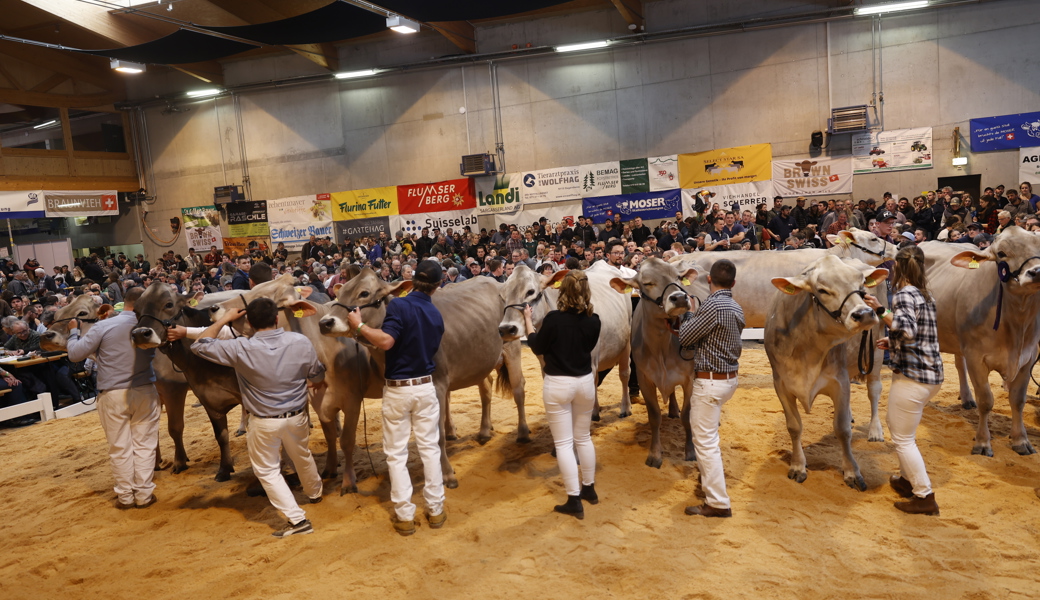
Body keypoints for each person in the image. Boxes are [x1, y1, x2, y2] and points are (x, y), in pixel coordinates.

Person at [191, 298, 326, 538]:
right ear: (276, 318)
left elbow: (199, 345)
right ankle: (315, 493)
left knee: (267, 470)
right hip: (296, 415)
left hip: (264, 420)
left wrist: (224, 319)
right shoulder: (300, 341)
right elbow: (316, 374)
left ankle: (298, 520)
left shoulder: (241, 347)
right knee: (301, 454)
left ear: (250, 323)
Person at [345, 260, 447, 536]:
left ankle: (405, 515)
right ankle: (436, 510)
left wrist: (358, 326)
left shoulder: (399, 305)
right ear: (437, 286)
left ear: (412, 280)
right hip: (426, 386)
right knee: (430, 449)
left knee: (396, 453)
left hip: (399, 388)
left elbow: (387, 342)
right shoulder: (436, 315)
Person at [864, 245, 943, 516]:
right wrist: (892, 340)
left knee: (903, 439)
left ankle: (924, 496)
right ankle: (907, 481)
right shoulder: (926, 294)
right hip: (931, 373)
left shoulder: (904, 294)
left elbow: (906, 330)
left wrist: (879, 309)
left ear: (897, 267)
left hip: (913, 376)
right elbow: (916, 332)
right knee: (901, 429)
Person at [66, 287, 161, 509]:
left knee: (119, 446)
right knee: (145, 445)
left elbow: (75, 354)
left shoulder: (105, 325)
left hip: (113, 394)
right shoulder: (150, 327)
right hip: (145, 390)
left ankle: (125, 497)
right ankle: (144, 495)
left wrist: (73, 332)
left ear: (125, 302)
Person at [522, 270, 601, 519]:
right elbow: (587, 346)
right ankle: (589, 489)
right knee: (584, 438)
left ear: (562, 291)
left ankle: (573, 498)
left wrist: (528, 322)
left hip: (558, 383)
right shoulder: (594, 320)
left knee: (564, 444)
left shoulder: (554, 319)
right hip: (585, 383)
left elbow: (537, 346)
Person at [678, 259, 744, 518]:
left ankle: (717, 503)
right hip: (729, 378)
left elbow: (686, 337)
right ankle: (709, 485)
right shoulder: (736, 306)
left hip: (710, 380)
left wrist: (688, 315)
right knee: (708, 438)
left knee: (705, 443)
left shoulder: (713, 305)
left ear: (709, 280)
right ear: (734, 283)